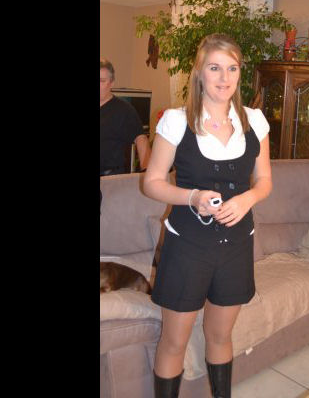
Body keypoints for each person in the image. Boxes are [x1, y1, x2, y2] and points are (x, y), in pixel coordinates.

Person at [143, 33, 272, 398]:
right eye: (215, 68)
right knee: (174, 342)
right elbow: (152, 183)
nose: (224, 77)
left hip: (235, 247)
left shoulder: (255, 121)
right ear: (199, 72)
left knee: (221, 336)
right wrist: (192, 196)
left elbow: (264, 181)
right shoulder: (176, 121)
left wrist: (247, 199)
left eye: (232, 68)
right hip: (187, 247)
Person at [100, 58, 151, 175]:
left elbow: (141, 140)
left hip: (109, 178)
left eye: (101, 81)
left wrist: (148, 174)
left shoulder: (124, 110)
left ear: (112, 83)